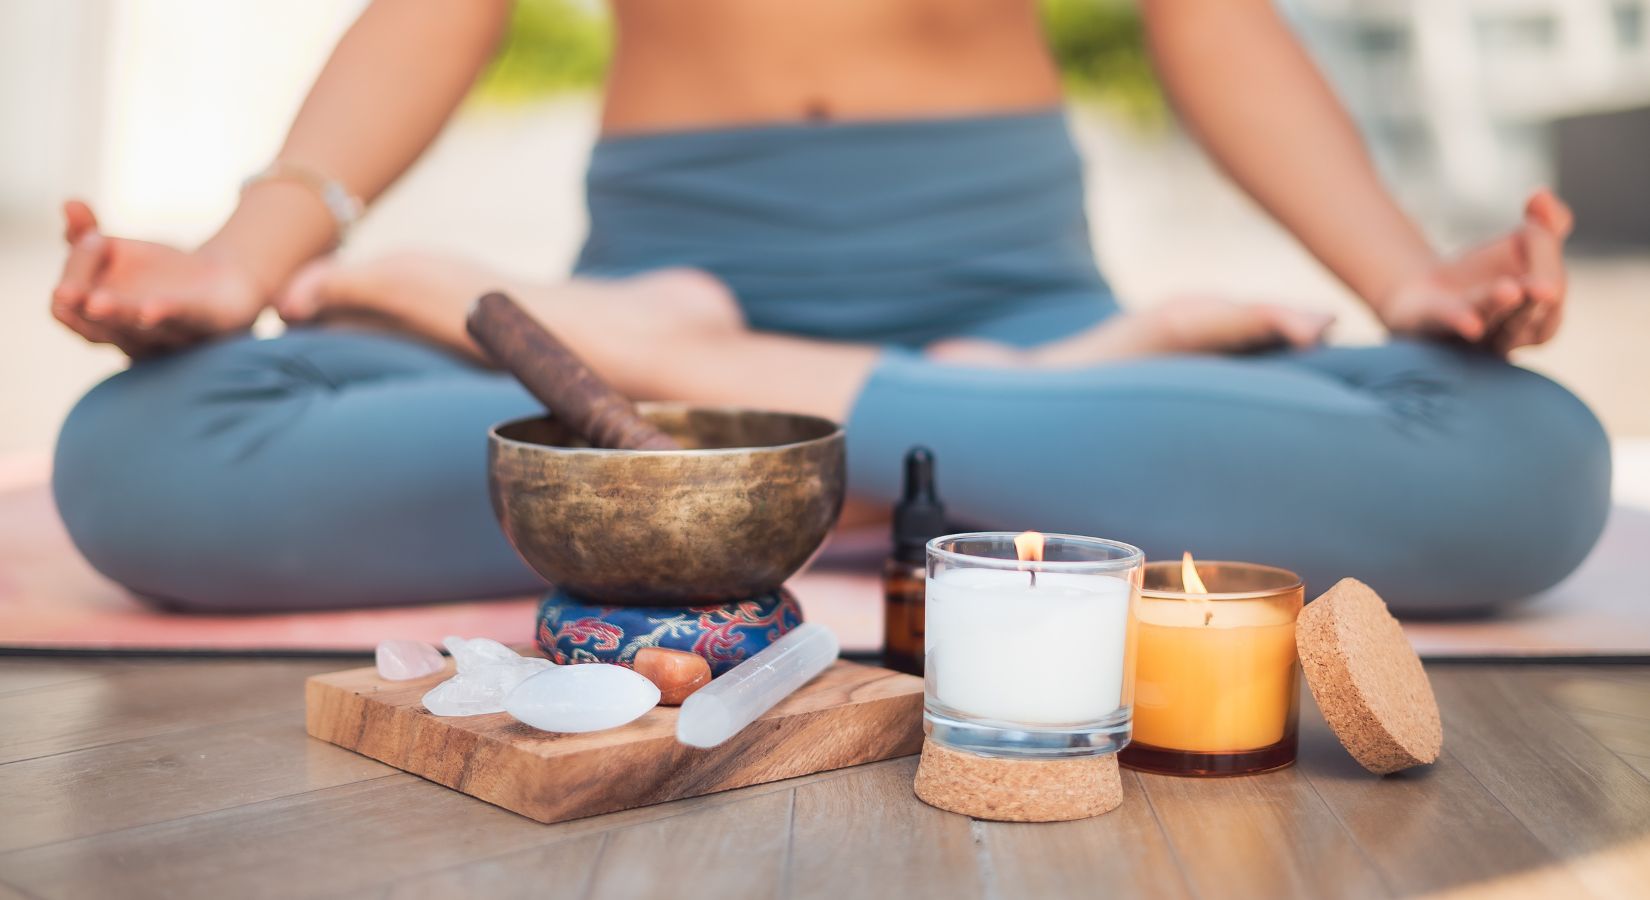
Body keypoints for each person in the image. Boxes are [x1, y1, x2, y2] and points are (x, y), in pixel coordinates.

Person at [50, 0, 1609, 616]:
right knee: (151, 455)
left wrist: (1403, 281)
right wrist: (233, 270)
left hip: (687, 352)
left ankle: (716, 390)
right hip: (967, 366)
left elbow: (1208, 20)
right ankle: (970, 441)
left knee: (1517, 463)